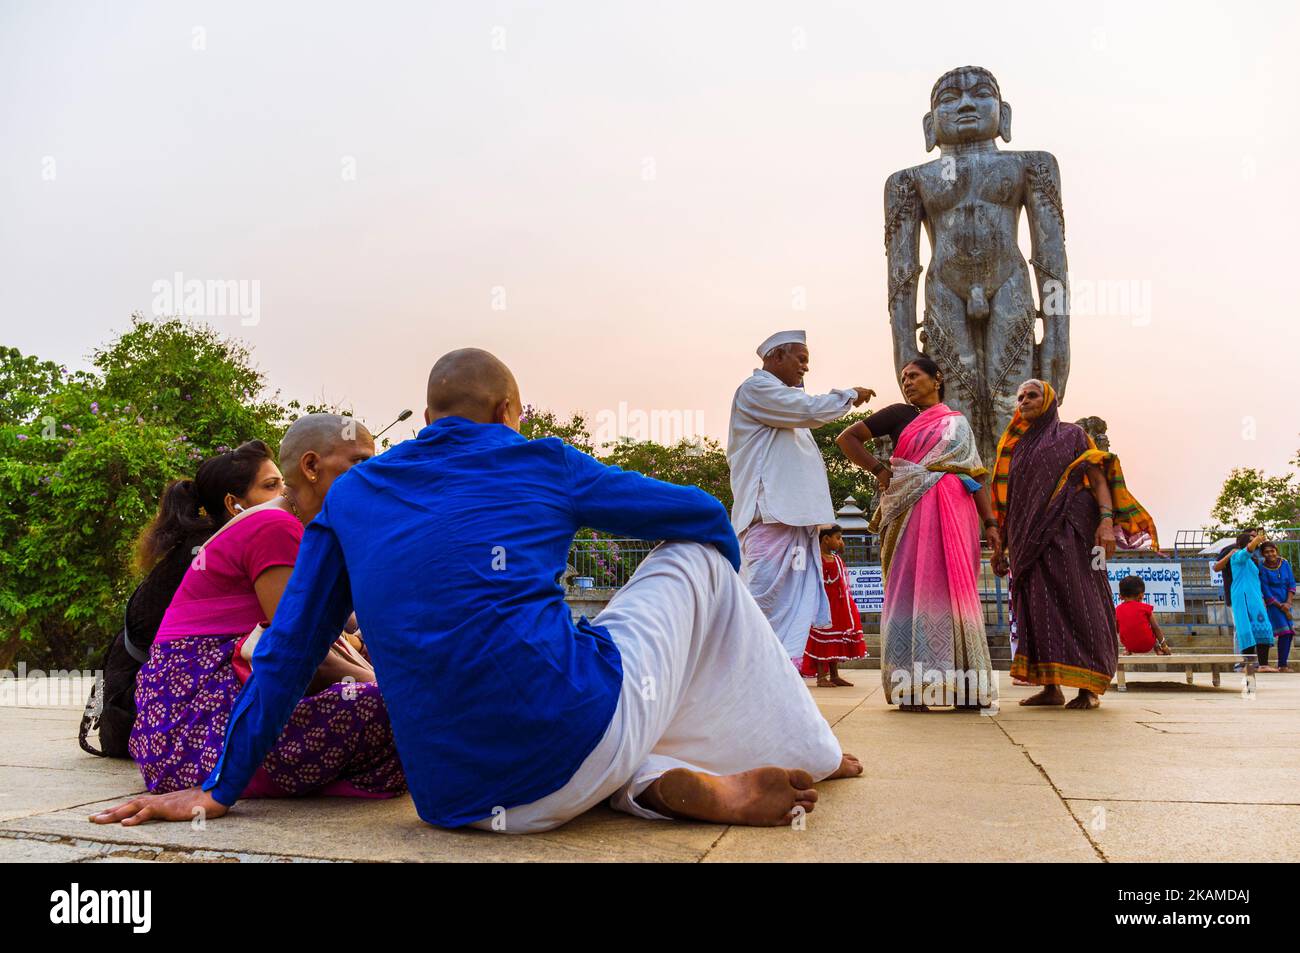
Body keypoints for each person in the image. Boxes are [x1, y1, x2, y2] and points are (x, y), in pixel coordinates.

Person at [94, 349, 862, 835]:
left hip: (452, 800)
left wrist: (220, 789)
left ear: (425, 419)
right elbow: (696, 515)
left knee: (577, 694)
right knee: (696, 557)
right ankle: (809, 748)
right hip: (572, 742)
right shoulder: (544, 461)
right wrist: (722, 590)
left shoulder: (351, 500)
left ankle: (653, 779)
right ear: (509, 411)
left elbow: (288, 654)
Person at [125, 414, 405, 799]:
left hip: (200, 719)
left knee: (393, 664)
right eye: (359, 462)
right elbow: (304, 654)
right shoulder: (277, 526)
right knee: (390, 706)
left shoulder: (300, 526)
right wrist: (395, 691)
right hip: (194, 729)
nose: (371, 474)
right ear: (310, 466)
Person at [839, 356, 999, 710]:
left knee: (957, 592)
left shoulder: (957, 424)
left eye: (913, 375)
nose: (907, 382)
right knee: (911, 591)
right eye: (903, 377)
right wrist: (879, 470)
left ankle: (966, 690)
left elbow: (976, 478)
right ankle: (910, 690)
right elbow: (847, 438)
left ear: (937, 378)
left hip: (956, 514)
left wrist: (991, 524)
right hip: (910, 514)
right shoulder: (899, 414)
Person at [990, 379, 1158, 710]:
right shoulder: (1016, 446)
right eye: (1020, 397)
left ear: (1050, 400)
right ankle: (1050, 687)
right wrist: (1001, 545)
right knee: (1037, 611)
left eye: (1032, 395)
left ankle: (1089, 688)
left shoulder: (1072, 435)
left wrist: (1107, 523)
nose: (1024, 401)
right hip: (1028, 541)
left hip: (1071, 531)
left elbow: (1097, 478)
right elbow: (1012, 501)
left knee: (1082, 603)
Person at [727, 330, 873, 663]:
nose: (806, 368)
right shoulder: (757, 390)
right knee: (763, 606)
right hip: (770, 520)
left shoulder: (782, 403)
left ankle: (781, 681)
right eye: (801, 359)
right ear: (777, 356)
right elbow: (809, 409)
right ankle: (749, 676)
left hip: (791, 523)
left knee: (790, 612)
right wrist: (848, 396)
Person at [798, 525, 866, 688]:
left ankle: (834, 675)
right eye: (838, 538)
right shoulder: (815, 559)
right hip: (821, 606)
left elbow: (843, 584)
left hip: (838, 606)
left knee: (835, 639)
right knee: (823, 639)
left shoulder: (836, 559)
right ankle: (822, 676)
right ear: (826, 539)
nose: (841, 541)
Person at [1213, 530, 1277, 671]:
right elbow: (1247, 550)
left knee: (1263, 627)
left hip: (1255, 598)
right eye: (1251, 539)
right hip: (1243, 597)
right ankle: (1246, 665)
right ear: (1243, 543)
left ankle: (1263, 665)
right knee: (1246, 629)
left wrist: (1261, 599)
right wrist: (1257, 539)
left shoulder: (1251, 561)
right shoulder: (1237, 556)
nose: (1254, 541)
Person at [1258, 541, 1295, 672]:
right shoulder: (1261, 568)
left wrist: (1288, 603)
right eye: (1266, 552)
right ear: (1262, 554)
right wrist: (1281, 605)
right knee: (1284, 632)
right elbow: (1265, 590)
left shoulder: (1284, 563)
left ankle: (1282, 665)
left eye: (1272, 551)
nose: (1270, 554)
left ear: (1276, 550)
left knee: (1289, 633)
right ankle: (1281, 665)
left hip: (1287, 602)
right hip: (1273, 605)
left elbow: (1291, 583)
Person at [1115, 576, 1171, 656]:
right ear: (1141, 596)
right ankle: (1158, 649)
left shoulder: (1117, 610)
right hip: (1148, 644)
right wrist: (1164, 646)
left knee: (1126, 630)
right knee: (1152, 631)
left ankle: (1128, 650)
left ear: (1121, 595)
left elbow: (1116, 630)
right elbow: (1156, 628)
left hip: (1129, 645)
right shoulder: (1145, 608)